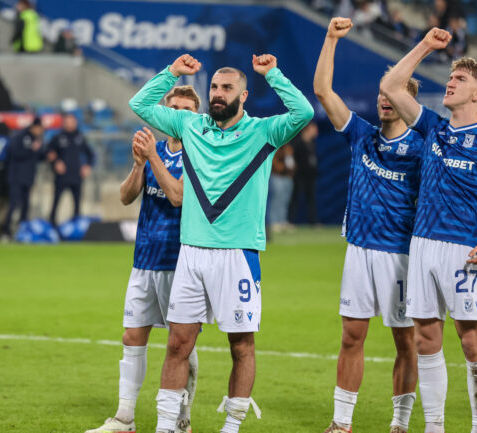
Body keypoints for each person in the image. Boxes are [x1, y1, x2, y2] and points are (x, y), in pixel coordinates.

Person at [130, 53, 313, 433]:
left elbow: (304, 112)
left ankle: (231, 427)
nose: (217, 93)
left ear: (243, 96)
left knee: (241, 346)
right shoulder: (191, 124)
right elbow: (140, 104)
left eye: (227, 88)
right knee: (178, 344)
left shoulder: (263, 132)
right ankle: (166, 427)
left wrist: (274, 75)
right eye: (214, 86)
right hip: (192, 253)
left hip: (238, 255)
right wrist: (173, 73)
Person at [381, 28, 477, 433]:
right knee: (426, 343)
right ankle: (435, 427)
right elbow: (391, 85)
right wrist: (425, 46)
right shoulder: (434, 128)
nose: (451, 81)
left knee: (472, 344)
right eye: (451, 76)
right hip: (422, 246)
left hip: (463, 250)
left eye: (461, 79)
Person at [313, 18, 423, 433]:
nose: (384, 101)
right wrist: (330, 39)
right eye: (380, 95)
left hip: (400, 255)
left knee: (405, 341)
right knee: (351, 337)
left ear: (408, 102)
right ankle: (341, 423)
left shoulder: (421, 149)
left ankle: (400, 423)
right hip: (359, 250)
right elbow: (323, 90)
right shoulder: (361, 136)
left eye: (392, 95)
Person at [86, 86, 201, 433]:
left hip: (179, 261)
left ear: (197, 115)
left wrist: (151, 157)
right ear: (164, 112)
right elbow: (125, 197)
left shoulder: (201, 152)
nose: (180, 114)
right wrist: (138, 165)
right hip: (144, 260)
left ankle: (182, 417)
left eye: (187, 109)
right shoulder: (155, 150)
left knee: (180, 342)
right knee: (132, 337)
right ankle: (124, 418)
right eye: (174, 107)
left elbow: (178, 196)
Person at [46, 113, 95, 225]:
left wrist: (88, 166)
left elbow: (90, 154)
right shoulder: (58, 137)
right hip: (62, 176)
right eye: (68, 121)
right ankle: (52, 223)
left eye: (72, 121)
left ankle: (76, 226)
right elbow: (48, 152)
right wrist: (55, 163)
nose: (70, 124)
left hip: (76, 176)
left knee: (77, 203)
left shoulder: (80, 137)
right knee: (56, 202)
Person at [4, 117, 45, 237]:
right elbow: (15, 153)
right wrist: (31, 149)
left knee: (26, 206)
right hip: (16, 177)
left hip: (28, 177)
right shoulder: (20, 137)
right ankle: (5, 231)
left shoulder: (37, 139)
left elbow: (37, 157)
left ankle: (22, 231)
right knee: (13, 204)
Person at [290, 122, 319, 224]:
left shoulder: (312, 143)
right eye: (314, 129)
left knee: (311, 199)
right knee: (294, 198)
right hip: (298, 176)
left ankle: (313, 222)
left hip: (310, 177)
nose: (316, 132)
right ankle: (290, 221)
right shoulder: (297, 143)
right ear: (308, 129)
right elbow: (292, 160)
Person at [267, 143, 294, 233]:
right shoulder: (276, 146)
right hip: (277, 176)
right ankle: (274, 222)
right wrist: (283, 168)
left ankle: (282, 220)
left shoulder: (288, 149)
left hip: (287, 177)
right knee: (276, 200)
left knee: (285, 200)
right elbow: (275, 164)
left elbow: (292, 164)